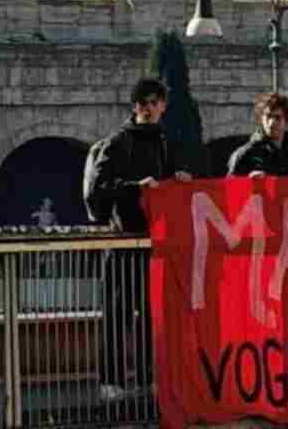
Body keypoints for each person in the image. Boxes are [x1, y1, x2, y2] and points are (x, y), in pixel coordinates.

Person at [83, 77, 191, 401]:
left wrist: (180, 179)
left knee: (149, 313)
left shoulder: (165, 142)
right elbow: (97, 190)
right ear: (135, 106)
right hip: (123, 240)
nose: (147, 108)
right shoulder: (117, 142)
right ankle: (110, 381)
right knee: (117, 313)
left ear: (162, 106)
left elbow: (171, 178)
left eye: (153, 102)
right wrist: (135, 186)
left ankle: (146, 378)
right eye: (142, 103)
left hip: (154, 244)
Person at [227, 92, 288, 178]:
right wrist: (248, 182)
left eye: (278, 118)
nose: (272, 122)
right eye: (268, 116)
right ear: (261, 119)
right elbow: (230, 188)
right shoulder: (245, 155)